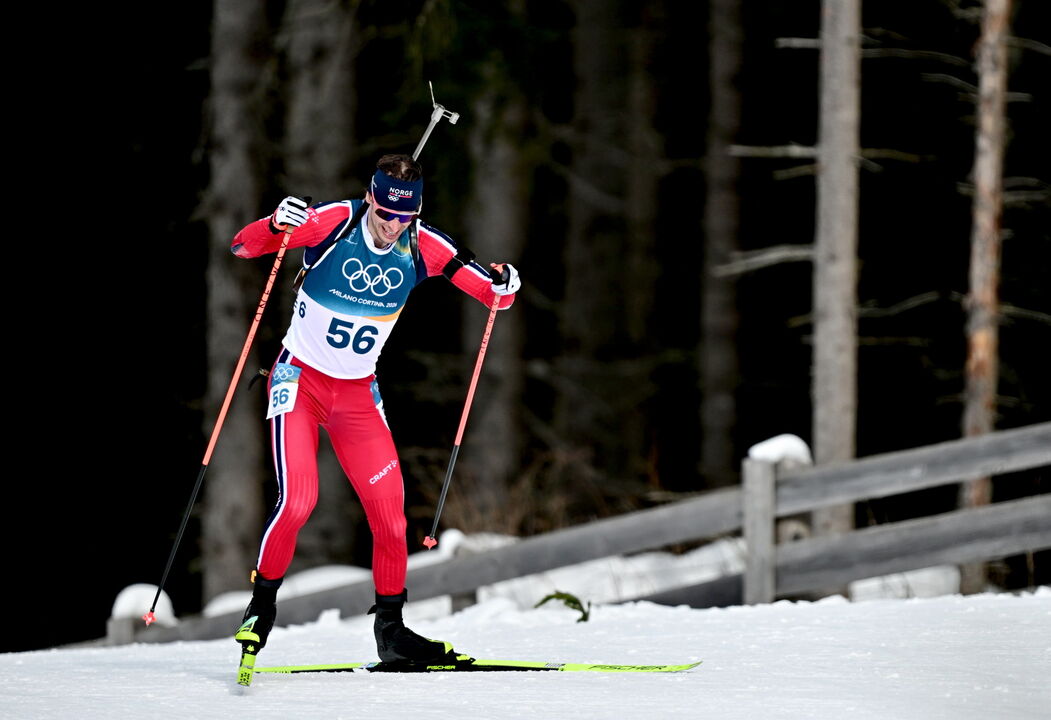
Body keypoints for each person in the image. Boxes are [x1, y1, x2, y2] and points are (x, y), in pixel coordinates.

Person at [230, 153, 520, 662]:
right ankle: (260, 609)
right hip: (300, 382)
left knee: (391, 520)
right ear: (370, 197)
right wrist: (277, 223)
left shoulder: (424, 245)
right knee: (298, 501)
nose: (390, 227)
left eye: (403, 218)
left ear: (417, 212)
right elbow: (243, 246)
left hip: (358, 395)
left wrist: (504, 285)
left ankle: (391, 633)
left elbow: (492, 295)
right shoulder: (332, 223)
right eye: (384, 213)